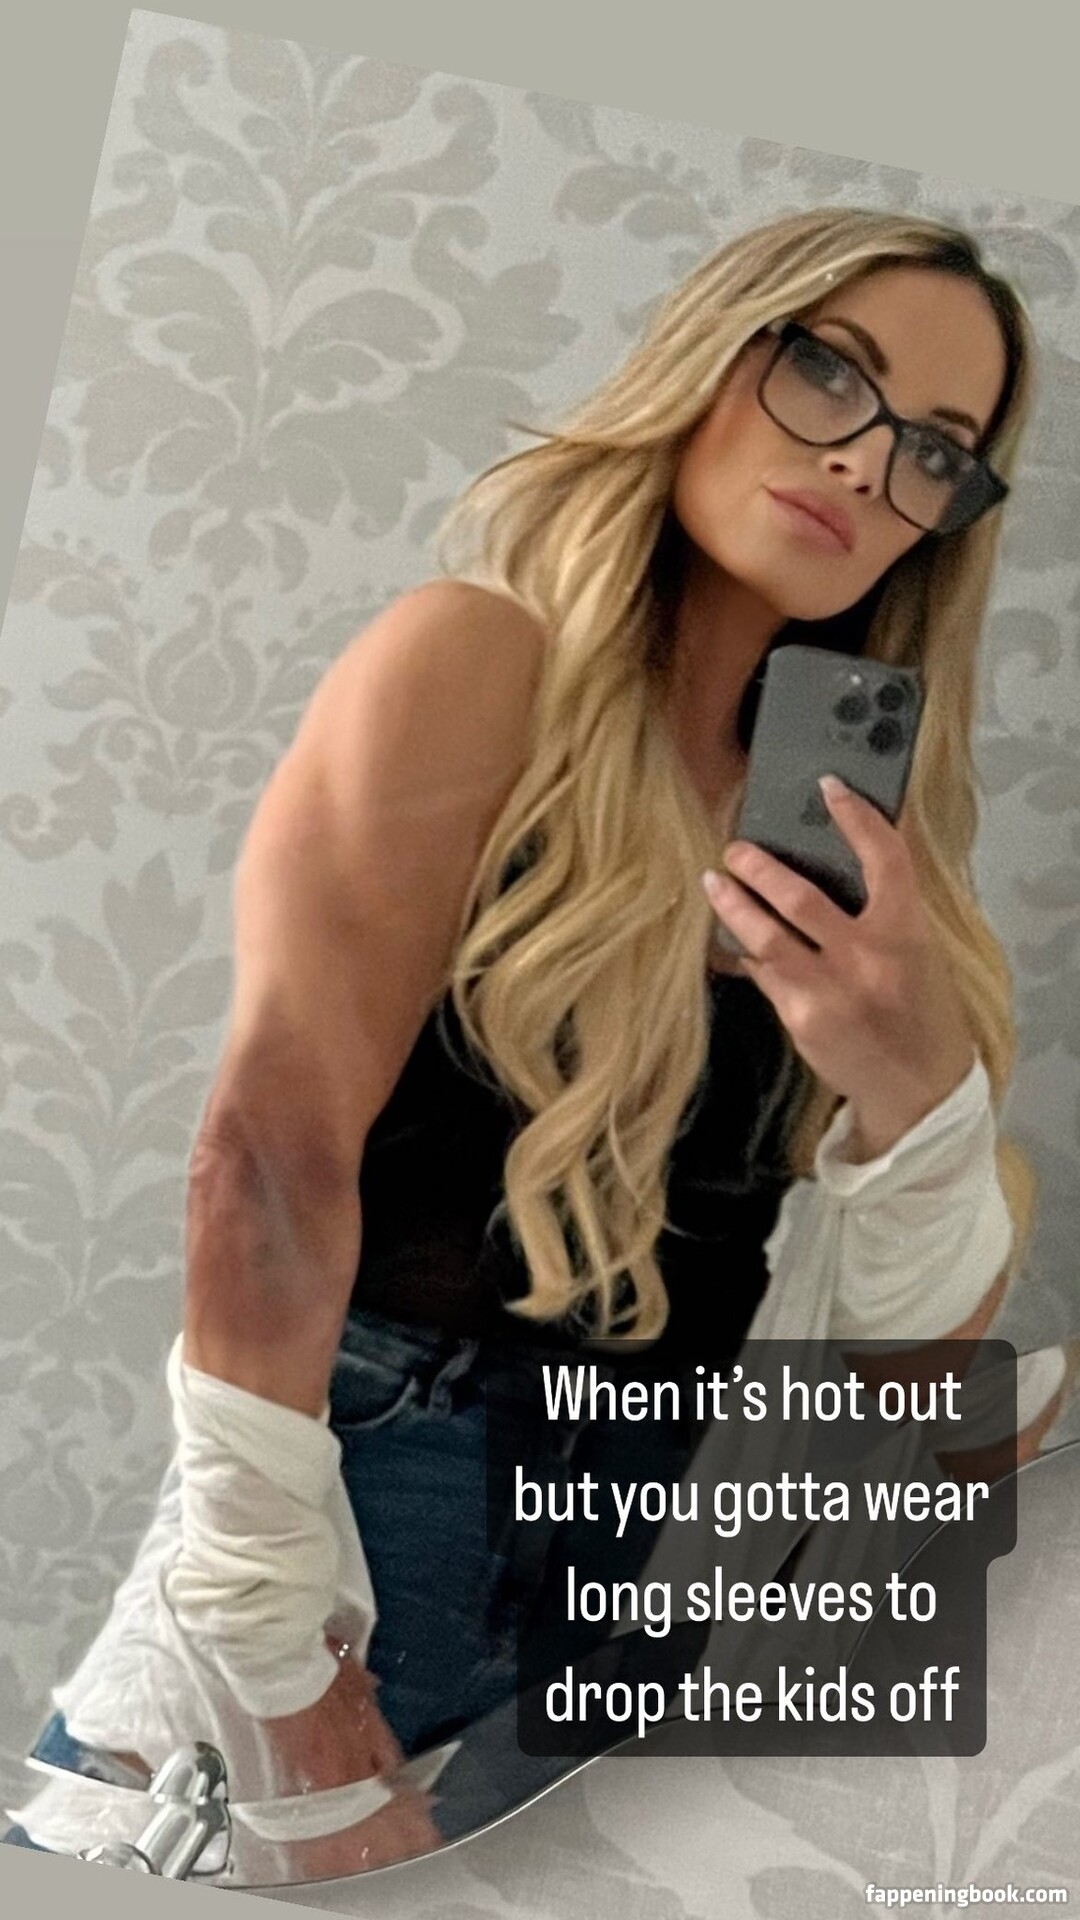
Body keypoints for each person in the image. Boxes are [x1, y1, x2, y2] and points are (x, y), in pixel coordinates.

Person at [6, 206, 1042, 1870]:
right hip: (361, 1523)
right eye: (830, 374)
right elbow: (262, 1160)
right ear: (714, 358)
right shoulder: (478, 659)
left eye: (935, 447)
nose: (866, 461)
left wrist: (916, 1090)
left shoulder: (858, 834)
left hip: (646, 1582)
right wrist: (284, 1682)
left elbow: (905, 1397)